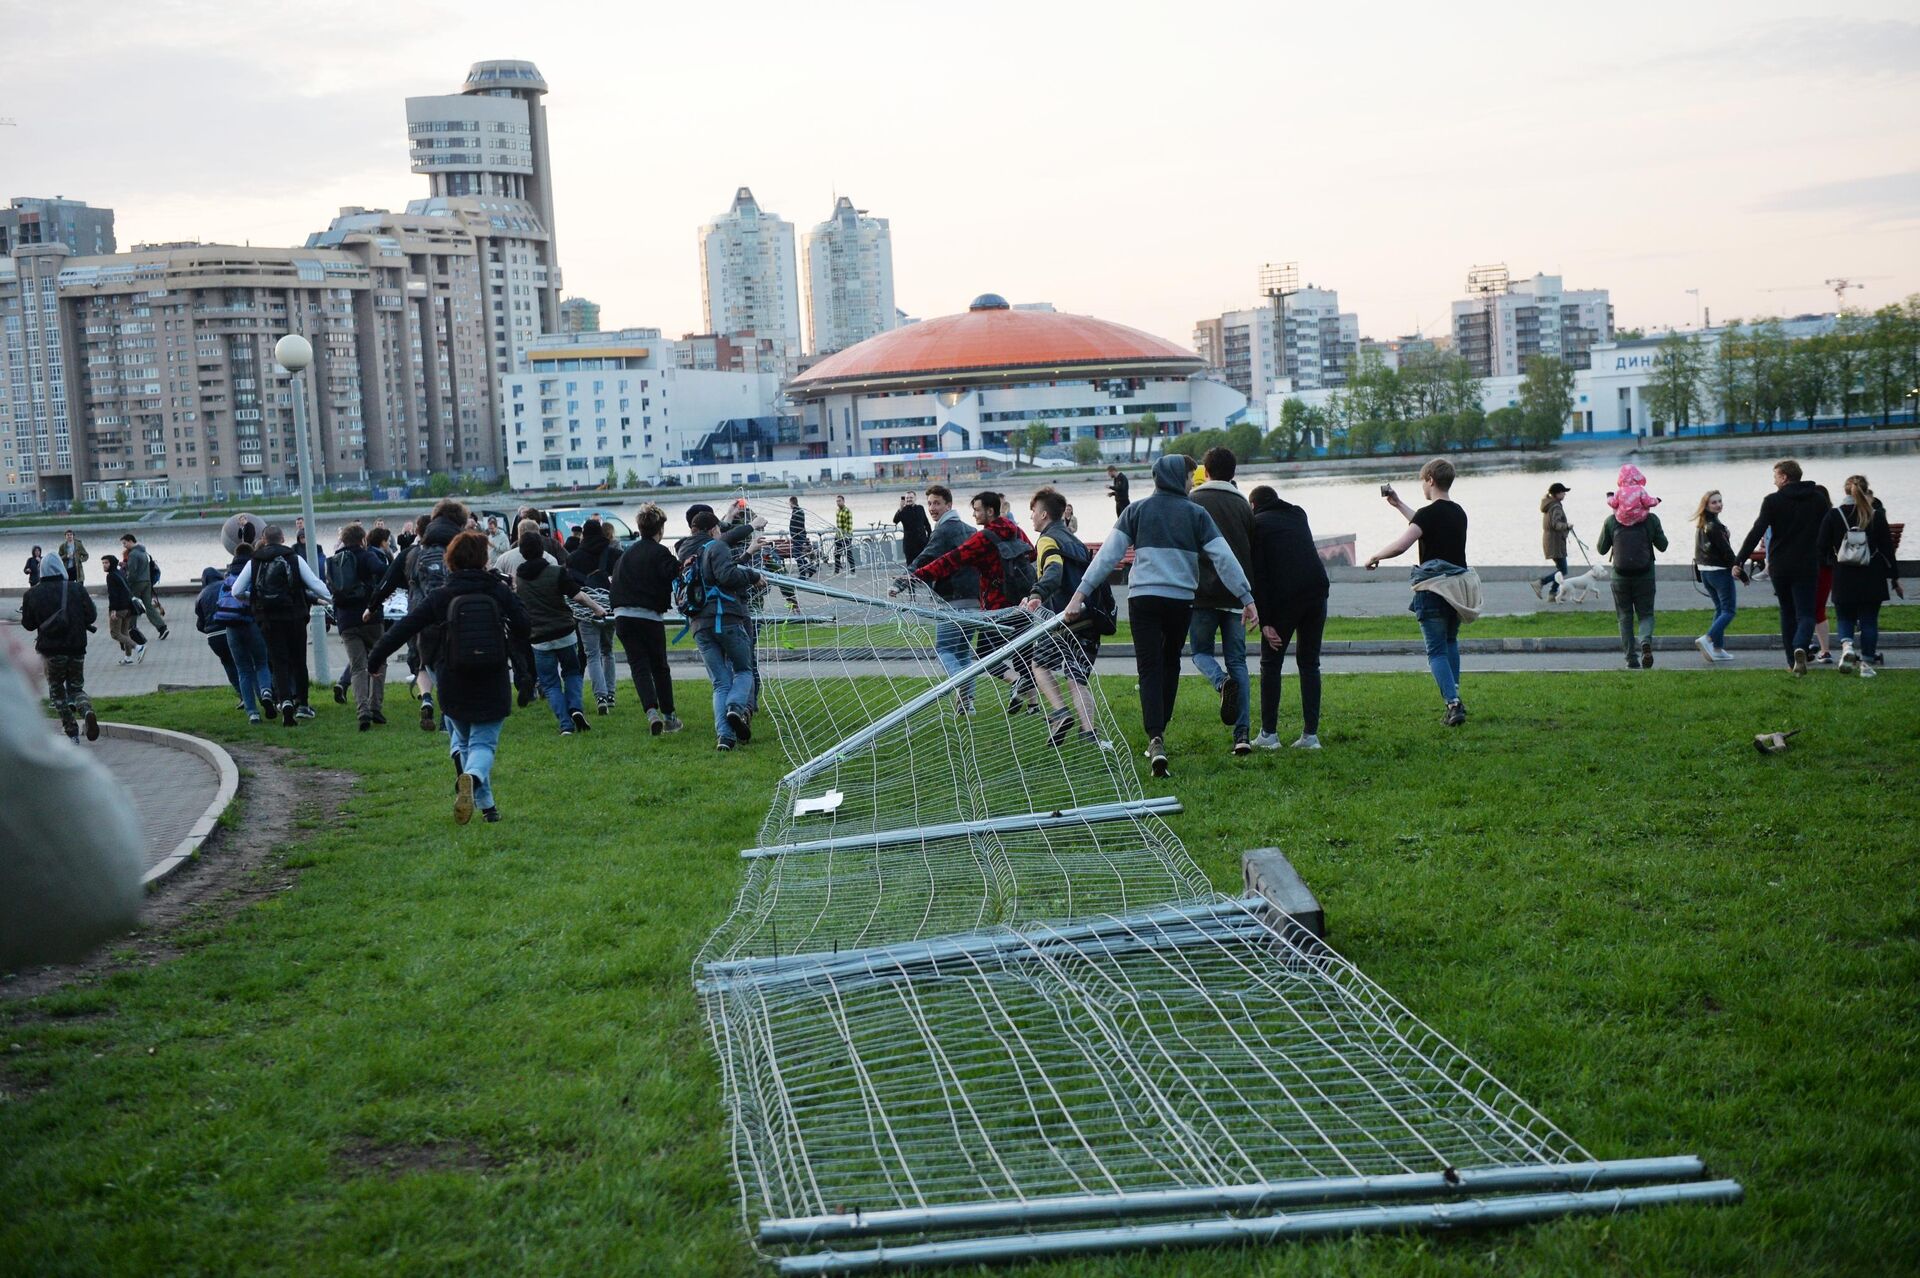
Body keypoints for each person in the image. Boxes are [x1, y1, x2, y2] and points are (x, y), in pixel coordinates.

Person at [1069, 454, 1256, 777]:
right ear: (1178, 478)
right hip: (1180, 602)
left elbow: (1107, 557)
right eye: (1188, 476)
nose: (1190, 481)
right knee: (1170, 663)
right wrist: (1246, 597)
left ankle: (1155, 737)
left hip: (1143, 599)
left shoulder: (1136, 511)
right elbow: (1224, 558)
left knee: (1149, 668)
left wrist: (1079, 595)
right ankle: (1159, 732)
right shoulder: (1196, 514)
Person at [368, 531, 529, 823]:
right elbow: (524, 626)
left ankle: (488, 808)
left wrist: (376, 656)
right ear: (483, 560)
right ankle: (473, 779)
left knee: (465, 743)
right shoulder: (497, 590)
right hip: (492, 676)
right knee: (484, 744)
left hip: (452, 678)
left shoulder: (442, 595)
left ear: (450, 561)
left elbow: (406, 626)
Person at [1363, 458, 1478, 727]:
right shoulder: (1459, 512)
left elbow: (1403, 544)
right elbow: (1427, 524)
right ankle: (1455, 696)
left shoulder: (1428, 514)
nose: (1422, 488)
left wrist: (1375, 556)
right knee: (1450, 643)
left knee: (1435, 651)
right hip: (1456, 591)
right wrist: (1398, 504)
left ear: (1430, 480)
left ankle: (1452, 703)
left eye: (1422, 482)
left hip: (1432, 590)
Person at [905, 490, 1038, 714]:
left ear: (990, 511)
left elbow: (950, 560)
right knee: (1022, 652)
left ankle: (1016, 681)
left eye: (977, 510)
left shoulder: (983, 538)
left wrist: (916, 575)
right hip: (1022, 602)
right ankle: (1035, 705)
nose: (974, 515)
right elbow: (1032, 554)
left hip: (998, 606)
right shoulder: (1015, 529)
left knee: (985, 652)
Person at [368, 500, 467, 727]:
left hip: (420, 616)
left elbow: (387, 582)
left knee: (424, 664)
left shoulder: (411, 554)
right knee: (450, 664)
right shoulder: (461, 546)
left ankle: (428, 698)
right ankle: (447, 715)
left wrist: (372, 606)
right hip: (454, 614)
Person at [1020, 486, 1105, 746]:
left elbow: (1054, 571)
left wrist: (1036, 594)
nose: (1031, 517)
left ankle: (1059, 712)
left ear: (1044, 514)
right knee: (1076, 677)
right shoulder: (1075, 541)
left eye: (1033, 512)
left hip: (1062, 620)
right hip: (1089, 617)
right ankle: (1089, 734)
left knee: (1039, 665)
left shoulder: (1047, 540)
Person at [1185, 447, 1257, 754]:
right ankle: (1242, 735)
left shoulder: (1193, 502)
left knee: (1200, 651)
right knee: (1238, 661)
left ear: (1206, 471)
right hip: (1235, 595)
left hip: (1200, 594)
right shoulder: (1242, 504)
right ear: (1234, 472)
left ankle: (1219, 681)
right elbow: (1252, 547)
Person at [1247, 484, 1329, 750]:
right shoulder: (1298, 514)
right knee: (1309, 663)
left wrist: (1266, 621)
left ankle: (1269, 735)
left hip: (1285, 599)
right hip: (1317, 592)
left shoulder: (1257, 525)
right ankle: (1310, 736)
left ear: (1253, 507)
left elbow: (1260, 574)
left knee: (1271, 664)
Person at [1736, 459, 1832, 675]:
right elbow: (1828, 529)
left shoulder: (1772, 501)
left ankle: (1792, 662)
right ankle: (1801, 646)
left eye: (1776, 476)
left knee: (1787, 612)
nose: (1774, 481)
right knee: (1807, 613)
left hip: (1780, 565)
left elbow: (1757, 531)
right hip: (1808, 564)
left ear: (1785, 477)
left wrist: (1740, 559)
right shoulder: (1817, 499)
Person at [233, 524, 332, 726]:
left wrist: (253, 600)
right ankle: (302, 705)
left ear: (264, 539)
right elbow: (314, 584)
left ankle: (285, 700)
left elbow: (236, 590)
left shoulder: (255, 561)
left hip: (268, 619)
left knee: (278, 662)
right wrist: (333, 597)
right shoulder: (293, 558)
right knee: (298, 661)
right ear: (283, 539)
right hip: (294, 616)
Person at [683, 508, 764, 751]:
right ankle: (736, 709)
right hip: (725, 618)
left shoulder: (685, 552)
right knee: (743, 670)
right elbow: (727, 576)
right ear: (713, 530)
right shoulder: (715, 547)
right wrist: (752, 576)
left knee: (720, 683)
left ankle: (725, 738)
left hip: (699, 624)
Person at [514, 530, 609, 735]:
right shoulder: (556, 572)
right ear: (542, 550)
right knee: (572, 672)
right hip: (564, 632)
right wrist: (597, 608)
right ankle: (575, 707)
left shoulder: (519, 579)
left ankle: (565, 725)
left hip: (539, 637)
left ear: (522, 552)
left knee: (550, 683)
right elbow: (578, 596)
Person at [906, 484, 984, 711]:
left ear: (949, 505)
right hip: (974, 601)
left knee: (944, 650)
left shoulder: (943, 530)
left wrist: (902, 581)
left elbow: (925, 558)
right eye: (929, 503)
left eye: (937, 503)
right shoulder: (972, 530)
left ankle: (958, 684)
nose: (932, 508)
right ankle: (967, 705)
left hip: (952, 600)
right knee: (962, 653)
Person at [610, 503, 683, 736]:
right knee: (659, 667)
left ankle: (651, 712)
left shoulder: (626, 554)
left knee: (639, 667)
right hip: (648, 617)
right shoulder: (659, 552)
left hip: (622, 616)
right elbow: (675, 571)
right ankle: (670, 717)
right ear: (660, 529)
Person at [18, 551, 100, 741]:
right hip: (77, 647)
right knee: (77, 688)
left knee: (57, 691)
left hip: (50, 651)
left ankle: (72, 733)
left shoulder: (32, 593)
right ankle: (86, 711)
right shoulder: (76, 588)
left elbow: (28, 625)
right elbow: (92, 616)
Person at [1825, 474, 1901, 676]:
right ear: (1866, 490)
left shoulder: (1834, 515)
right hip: (1872, 574)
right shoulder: (1876, 515)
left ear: (1845, 491)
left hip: (1843, 574)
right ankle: (1867, 659)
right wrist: (1894, 577)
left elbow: (1820, 546)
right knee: (1869, 619)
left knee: (1844, 616)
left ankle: (1847, 647)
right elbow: (1887, 548)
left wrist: (1831, 560)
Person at [1595, 464, 1669, 670]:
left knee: (1624, 617)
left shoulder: (1611, 521)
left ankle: (1631, 659)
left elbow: (1601, 550)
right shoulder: (1651, 519)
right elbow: (1663, 546)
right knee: (1646, 614)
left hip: (1619, 577)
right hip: (1645, 575)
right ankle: (1645, 641)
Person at [329, 523, 391, 730]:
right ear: (363, 539)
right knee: (379, 661)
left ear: (343, 541)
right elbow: (384, 571)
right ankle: (375, 706)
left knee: (358, 667)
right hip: (370, 617)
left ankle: (362, 710)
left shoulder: (334, 561)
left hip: (346, 620)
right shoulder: (367, 556)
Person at [212, 541, 274, 723]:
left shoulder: (227, 576)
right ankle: (265, 692)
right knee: (261, 663)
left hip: (231, 626)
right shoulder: (254, 570)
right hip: (252, 623)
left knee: (243, 670)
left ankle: (252, 713)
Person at [567, 518, 620, 714]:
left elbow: (569, 585)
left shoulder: (573, 558)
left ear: (583, 535)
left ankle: (601, 697)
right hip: (609, 610)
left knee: (592, 655)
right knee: (608, 651)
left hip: (585, 610)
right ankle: (611, 693)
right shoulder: (614, 554)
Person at [1691, 491, 1739, 662]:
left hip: (1705, 573)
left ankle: (1717, 649)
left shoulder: (1701, 525)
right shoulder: (1715, 526)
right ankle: (1708, 638)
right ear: (1706, 505)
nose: (1718, 504)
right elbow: (1726, 551)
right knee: (1729, 610)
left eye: (1720, 501)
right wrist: (1739, 570)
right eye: (1714, 502)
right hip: (1719, 572)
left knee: (1720, 608)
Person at [193, 566, 247, 708]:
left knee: (228, 663)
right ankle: (259, 693)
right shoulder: (227, 586)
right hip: (232, 629)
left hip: (214, 637)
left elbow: (200, 625)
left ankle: (242, 696)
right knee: (243, 663)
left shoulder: (201, 595)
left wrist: (209, 630)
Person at [117, 534, 169, 641]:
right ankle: (162, 627)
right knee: (148, 606)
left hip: (136, 583)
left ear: (130, 541)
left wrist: (127, 583)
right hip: (147, 582)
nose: (124, 546)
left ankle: (132, 630)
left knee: (133, 606)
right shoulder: (143, 552)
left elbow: (132, 572)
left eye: (124, 543)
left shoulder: (133, 554)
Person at [99, 554, 148, 664]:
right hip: (128, 607)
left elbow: (113, 595)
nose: (104, 565)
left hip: (119, 608)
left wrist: (113, 610)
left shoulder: (111, 576)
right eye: (103, 563)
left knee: (115, 633)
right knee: (124, 632)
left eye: (106, 562)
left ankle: (138, 647)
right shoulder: (119, 572)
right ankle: (128, 657)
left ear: (111, 563)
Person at [1535, 483, 1572, 601]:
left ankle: (1553, 594)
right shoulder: (1555, 506)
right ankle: (1540, 583)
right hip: (1555, 542)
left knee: (1561, 570)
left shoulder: (1549, 504)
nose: (1565, 494)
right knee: (1563, 570)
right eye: (1563, 492)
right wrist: (1567, 525)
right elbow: (1556, 524)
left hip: (1551, 541)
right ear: (1557, 494)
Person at [892, 490, 931, 564]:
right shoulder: (903, 510)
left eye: (911, 497)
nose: (909, 499)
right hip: (910, 544)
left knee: (924, 564)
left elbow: (926, 523)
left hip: (922, 543)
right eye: (907, 498)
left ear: (915, 498)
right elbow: (895, 520)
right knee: (911, 566)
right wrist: (900, 508)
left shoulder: (920, 508)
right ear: (905, 499)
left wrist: (929, 537)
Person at [833, 494, 855, 573]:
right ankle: (836, 571)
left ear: (843, 501)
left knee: (848, 553)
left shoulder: (847, 511)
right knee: (836, 553)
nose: (838, 503)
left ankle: (853, 571)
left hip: (846, 536)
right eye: (837, 501)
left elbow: (849, 525)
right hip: (838, 536)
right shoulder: (837, 511)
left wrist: (846, 536)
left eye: (839, 501)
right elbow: (838, 524)